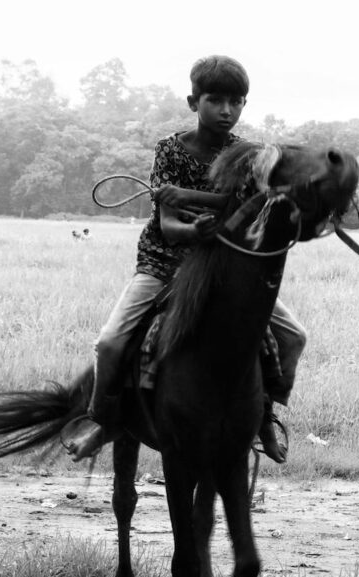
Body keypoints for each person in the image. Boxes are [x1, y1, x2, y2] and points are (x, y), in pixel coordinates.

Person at [62, 55, 304, 463]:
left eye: (237, 101)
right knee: (110, 342)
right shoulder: (170, 151)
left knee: (293, 336)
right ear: (194, 102)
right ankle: (102, 419)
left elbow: (249, 206)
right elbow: (169, 223)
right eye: (215, 100)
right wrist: (193, 231)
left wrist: (207, 210)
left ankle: (264, 414)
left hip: (226, 269)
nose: (227, 110)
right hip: (164, 263)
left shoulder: (251, 156)